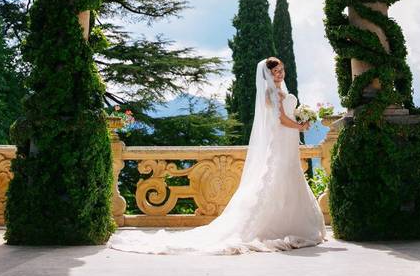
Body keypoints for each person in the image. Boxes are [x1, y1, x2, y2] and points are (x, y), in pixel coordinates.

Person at [106, 56, 327, 255]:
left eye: (282, 70)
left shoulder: (278, 92)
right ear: (268, 74)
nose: (281, 74)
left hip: (285, 143)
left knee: (287, 179)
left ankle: (290, 222)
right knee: (277, 179)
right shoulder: (271, 93)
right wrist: (300, 126)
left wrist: (299, 120)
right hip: (280, 142)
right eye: (276, 71)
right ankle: (277, 224)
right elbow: (280, 120)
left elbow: (284, 117)